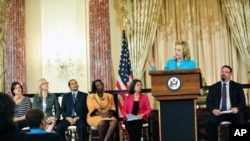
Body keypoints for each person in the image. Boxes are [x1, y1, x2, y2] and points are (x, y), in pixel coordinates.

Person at [204, 65, 246, 141]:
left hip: (233, 113)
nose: (223, 73)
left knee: (241, 117)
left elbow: (242, 102)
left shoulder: (237, 86)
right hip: (219, 114)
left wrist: (237, 108)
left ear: (230, 75)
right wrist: (213, 110)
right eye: (222, 72)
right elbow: (208, 102)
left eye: (226, 72)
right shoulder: (214, 87)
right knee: (208, 120)